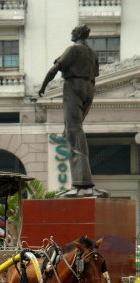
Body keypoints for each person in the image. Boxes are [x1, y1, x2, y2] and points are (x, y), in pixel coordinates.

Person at [39, 24, 106, 197]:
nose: (71, 33)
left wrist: (43, 87)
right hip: (88, 88)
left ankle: (81, 183)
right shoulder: (92, 53)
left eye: (72, 31)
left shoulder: (73, 49)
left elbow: (55, 69)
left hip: (73, 86)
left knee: (73, 132)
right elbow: (94, 78)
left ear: (77, 34)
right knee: (76, 130)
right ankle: (82, 182)